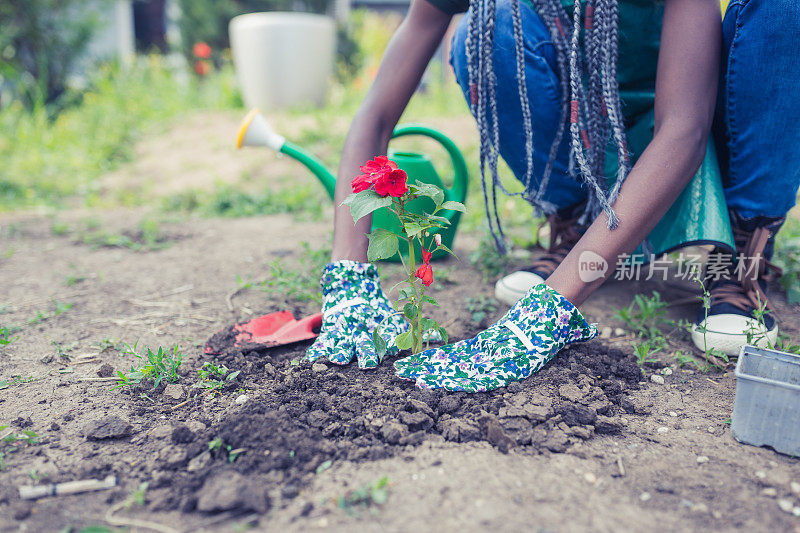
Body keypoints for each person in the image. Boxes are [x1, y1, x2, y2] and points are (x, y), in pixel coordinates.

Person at [305, 0, 800, 392]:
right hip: (586, 127)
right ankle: (576, 220)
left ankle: (739, 247)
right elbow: (374, 114)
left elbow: (684, 130)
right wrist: (347, 276)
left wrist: (547, 312)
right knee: (488, 24)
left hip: (703, 114)